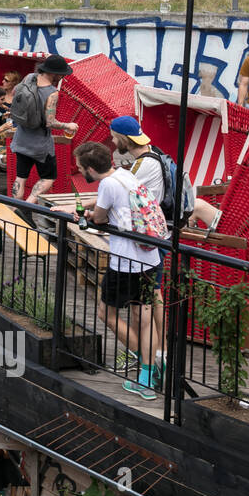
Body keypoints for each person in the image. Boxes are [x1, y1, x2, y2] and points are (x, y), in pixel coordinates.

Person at [67, 141, 163, 399]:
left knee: (105, 313)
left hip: (126, 262)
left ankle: (150, 367)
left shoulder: (107, 185)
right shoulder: (125, 174)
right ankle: (147, 375)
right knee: (144, 317)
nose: (79, 171)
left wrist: (84, 215)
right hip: (149, 257)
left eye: (79, 167)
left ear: (89, 169)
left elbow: (98, 218)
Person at [109, 115, 222, 233]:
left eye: (114, 137)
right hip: (166, 217)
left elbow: (118, 195)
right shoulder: (152, 151)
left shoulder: (145, 164)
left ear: (123, 139)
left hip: (154, 228)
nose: (112, 141)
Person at [10, 55, 78, 205]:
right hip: (40, 145)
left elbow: (15, 93)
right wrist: (68, 125)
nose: (62, 77)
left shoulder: (29, 78)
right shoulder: (52, 93)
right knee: (48, 177)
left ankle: (16, 208)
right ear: (54, 73)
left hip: (21, 138)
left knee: (20, 177)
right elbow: (50, 122)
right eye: (61, 74)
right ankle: (28, 204)